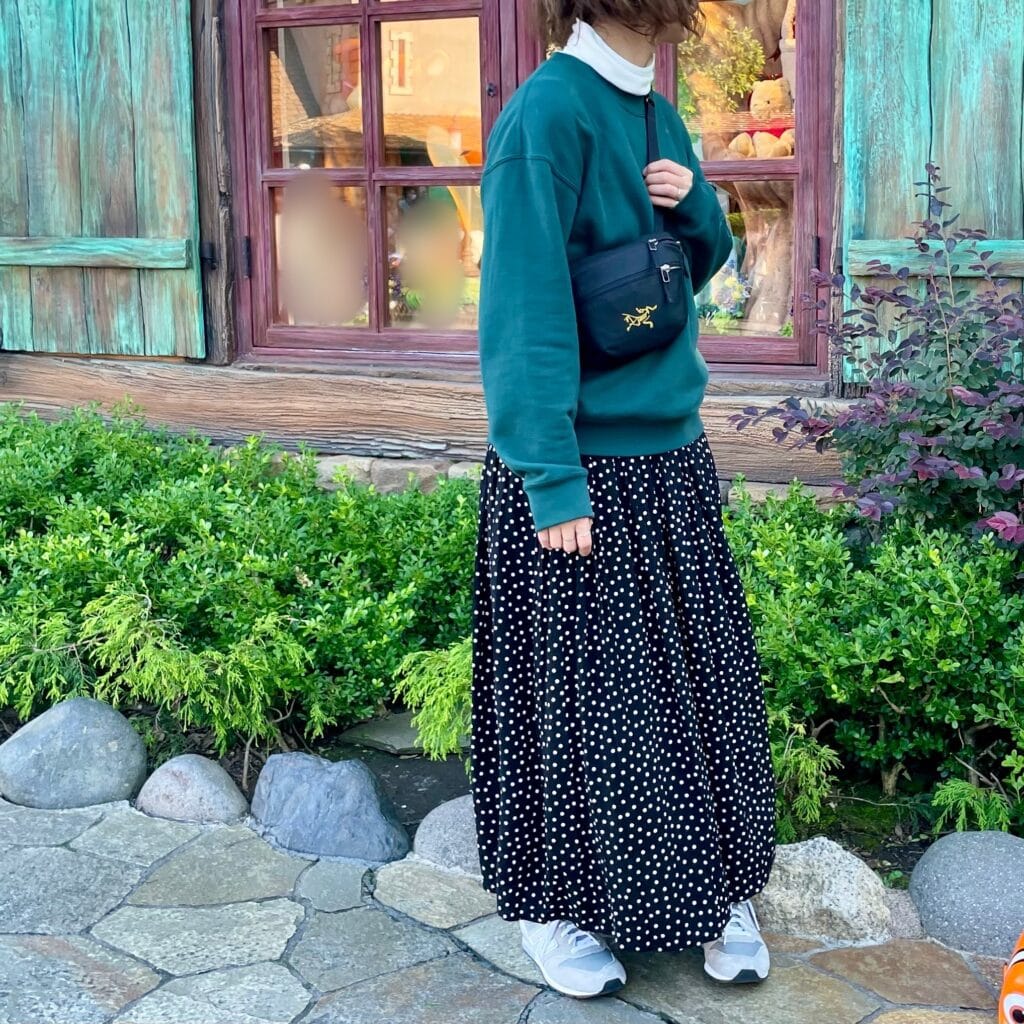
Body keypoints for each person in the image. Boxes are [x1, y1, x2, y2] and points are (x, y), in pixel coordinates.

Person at [470, 0, 778, 1001]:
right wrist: (551, 476)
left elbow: (682, 272)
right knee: (580, 706)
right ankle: (556, 907)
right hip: (580, 469)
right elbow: (521, 313)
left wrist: (699, 209)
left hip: (671, 456)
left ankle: (716, 889)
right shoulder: (544, 116)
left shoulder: (656, 108)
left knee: (695, 696)